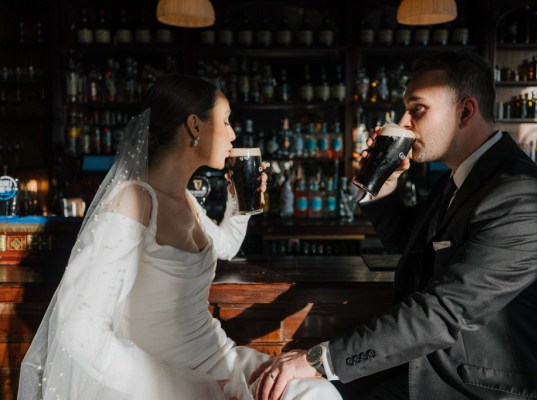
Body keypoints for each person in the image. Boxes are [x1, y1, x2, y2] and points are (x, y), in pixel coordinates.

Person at [250, 51, 537, 400]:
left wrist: (320, 359)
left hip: (493, 390)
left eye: (417, 109)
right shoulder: (461, 179)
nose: (403, 121)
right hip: (434, 373)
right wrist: (383, 186)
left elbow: (442, 312)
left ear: (466, 111)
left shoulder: (520, 195)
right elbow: (405, 240)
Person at [18, 74, 341, 400]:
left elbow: (224, 247)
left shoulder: (185, 199)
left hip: (219, 357)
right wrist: (187, 388)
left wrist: (240, 205)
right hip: (166, 376)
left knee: (317, 392)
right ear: (195, 126)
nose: (232, 134)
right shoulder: (133, 200)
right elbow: (77, 328)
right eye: (226, 121)